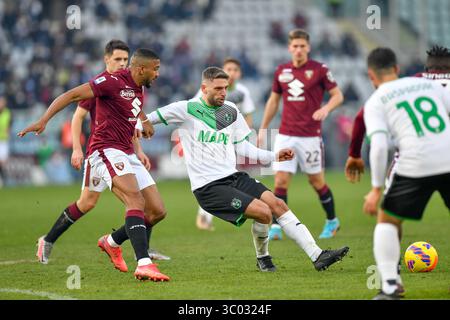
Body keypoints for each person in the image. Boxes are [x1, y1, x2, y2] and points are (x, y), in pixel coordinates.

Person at [140, 66, 349, 272]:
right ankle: (263, 258)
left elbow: (243, 147)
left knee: (277, 205)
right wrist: (141, 131)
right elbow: (145, 120)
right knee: (264, 212)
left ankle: (317, 255)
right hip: (208, 187)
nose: (224, 92)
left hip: (233, 177)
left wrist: (273, 156)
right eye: (218, 89)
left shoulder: (230, 111)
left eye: (226, 88)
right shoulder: (185, 109)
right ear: (204, 88)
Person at [19, 48, 170, 282]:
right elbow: (71, 97)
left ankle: (111, 242)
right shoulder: (107, 82)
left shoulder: (139, 87)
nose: (158, 74)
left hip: (126, 151)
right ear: (142, 68)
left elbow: (132, 110)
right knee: (134, 200)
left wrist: (144, 122)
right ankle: (144, 263)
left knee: (157, 211)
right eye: (156, 68)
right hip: (104, 150)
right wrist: (44, 120)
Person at [362, 47, 450, 300]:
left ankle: (390, 286)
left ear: (371, 76)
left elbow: (378, 146)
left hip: (415, 163)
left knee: (387, 221)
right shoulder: (427, 86)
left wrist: (376, 188)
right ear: (397, 69)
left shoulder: (376, 101)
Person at [258, 29, 344, 240]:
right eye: (295, 46)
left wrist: (326, 109)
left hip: (310, 137)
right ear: (289, 48)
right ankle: (277, 227)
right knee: (280, 181)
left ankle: (332, 221)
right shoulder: (281, 71)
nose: (298, 50)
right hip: (286, 135)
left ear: (308, 47)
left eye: (302, 46)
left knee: (316, 182)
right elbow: (273, 101)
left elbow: (337, 95)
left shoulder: (320, 70)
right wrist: (263, 127)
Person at [345, 45, 450, 183]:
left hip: (416, 156)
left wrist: (354, 154)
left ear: (426, 69)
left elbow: (360, 118)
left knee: (392, 199)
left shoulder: (413, 82)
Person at [194, 57, 256, 231]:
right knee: (213, 177)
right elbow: (194, 108)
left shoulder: (242, 92)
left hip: (230, 139)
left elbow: (248, 114)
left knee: (222, 176)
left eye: (235, 70)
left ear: (240, 73)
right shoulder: (210, 89)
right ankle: (204, 217)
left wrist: (244, 134)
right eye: (229, 69)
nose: (232, 73)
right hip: (210, 141)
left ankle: (206, 216)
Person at [0, 96, 11, 187]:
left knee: (3, 162)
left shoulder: (8, 113)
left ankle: (4, 180)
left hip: (3, 141)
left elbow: (10, 125)